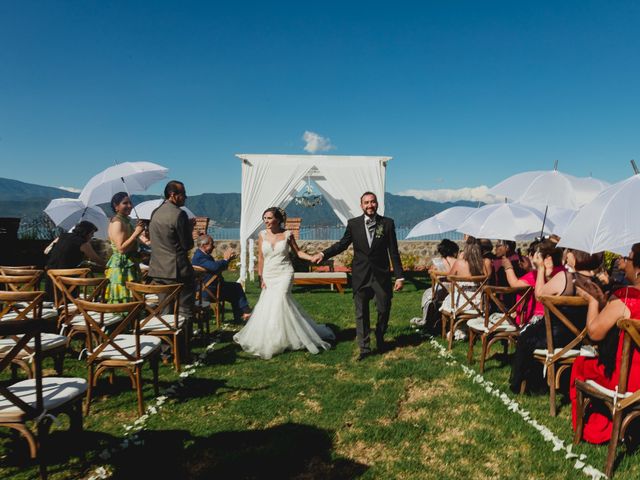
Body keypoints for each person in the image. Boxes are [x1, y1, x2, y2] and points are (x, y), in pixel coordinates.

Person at [311, 192, 404, 360]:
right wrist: (323, 254)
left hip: (381, 276)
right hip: (360, 275)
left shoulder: (387, 223)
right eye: (366, 203)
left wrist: (399, 276)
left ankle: (380, 335)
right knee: (361, 313)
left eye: (372, 202)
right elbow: (342, 245)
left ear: (377, 204)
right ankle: (364, 347)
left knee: (384, 308)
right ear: (361, 206)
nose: (370, 205)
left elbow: (393, 251)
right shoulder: (353, 224)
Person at [233, 207, 335, 359]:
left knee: (280, 300)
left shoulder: (288, 235)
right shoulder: (262, 235)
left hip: (284, 273)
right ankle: (276, 338)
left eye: (269, 218)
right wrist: (261, 277)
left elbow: (298, 252)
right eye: (265, 218)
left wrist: (312, 257)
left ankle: (282, 338)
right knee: (270, 305)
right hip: (269, 274)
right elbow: (261, 257)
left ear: (278, 220)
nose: (266, 221)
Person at [509, 247, 605, 393]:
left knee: (525, 337)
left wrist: (540, 269)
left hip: (554, 338)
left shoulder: (564, 278)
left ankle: (524, 382)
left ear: (576, 257)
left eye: (571, 251)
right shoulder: (599, 284)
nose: (568, 254)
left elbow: (539, 295)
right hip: (582, 340)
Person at [570, 244, 640, 444]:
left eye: (628, 258)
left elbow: (594, 333)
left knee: (581, 364)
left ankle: (598, 427)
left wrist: (593, 302)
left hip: (628, 381)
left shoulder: (626, 298)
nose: (623, 263)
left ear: (638, 268)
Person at [148, 180, 195, 322]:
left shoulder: (155, 212)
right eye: (183, 194)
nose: (186, 197)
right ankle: (182, 341)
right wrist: (190, 228)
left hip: (158, 269)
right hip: (177, 270)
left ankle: (167, 343)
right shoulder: (179, 214)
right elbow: (187, 244)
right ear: (173, 195)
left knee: (165, 310)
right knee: (184, 310)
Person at [192, 234, 251, 322]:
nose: (214, 247)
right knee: (236, 288)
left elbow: (214, 267)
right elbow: (215, 267)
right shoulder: (200, 257)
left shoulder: (201, 255)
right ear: (204, 245)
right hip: (209, 291)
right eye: (212, 244)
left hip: (209, 288)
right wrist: (226, 260)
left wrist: (227, 260)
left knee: (235, 287)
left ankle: (242, 315)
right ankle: (243, 314)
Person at [439, 236, 489, 340]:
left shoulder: (459, 263)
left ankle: (452, 330)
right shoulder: (484, 264)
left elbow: (449, 277)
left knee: (448, 299)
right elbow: (487, 281)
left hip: (459, 303)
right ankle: (469, 329)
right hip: (478, 304)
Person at [105, 192, 149, 303]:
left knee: (132, 298)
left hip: (129, 265)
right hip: (121, 267)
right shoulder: (117, 222)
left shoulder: (125, 221)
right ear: (116, 206)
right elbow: (121, 249)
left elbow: (132, 242)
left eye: (130, 203)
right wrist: (137, 233)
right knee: (125, 298)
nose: (129, 206)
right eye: (125, 203)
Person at [45, 220, 104, 300]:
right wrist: (109, 265)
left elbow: (46, 251)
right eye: (91, 233)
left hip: (51, 277)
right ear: (85, 232)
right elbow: (96, 259)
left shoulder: (62, 236)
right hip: (66, 280)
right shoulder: (83, 243)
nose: (92, 236)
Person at [411, 239, 459, 329]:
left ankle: (428, 318)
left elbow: (434, 276)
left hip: (441, 290)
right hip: (455, 290)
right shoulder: (458, 262)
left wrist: (433, 272)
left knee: (427, 293)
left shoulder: (438, 262)